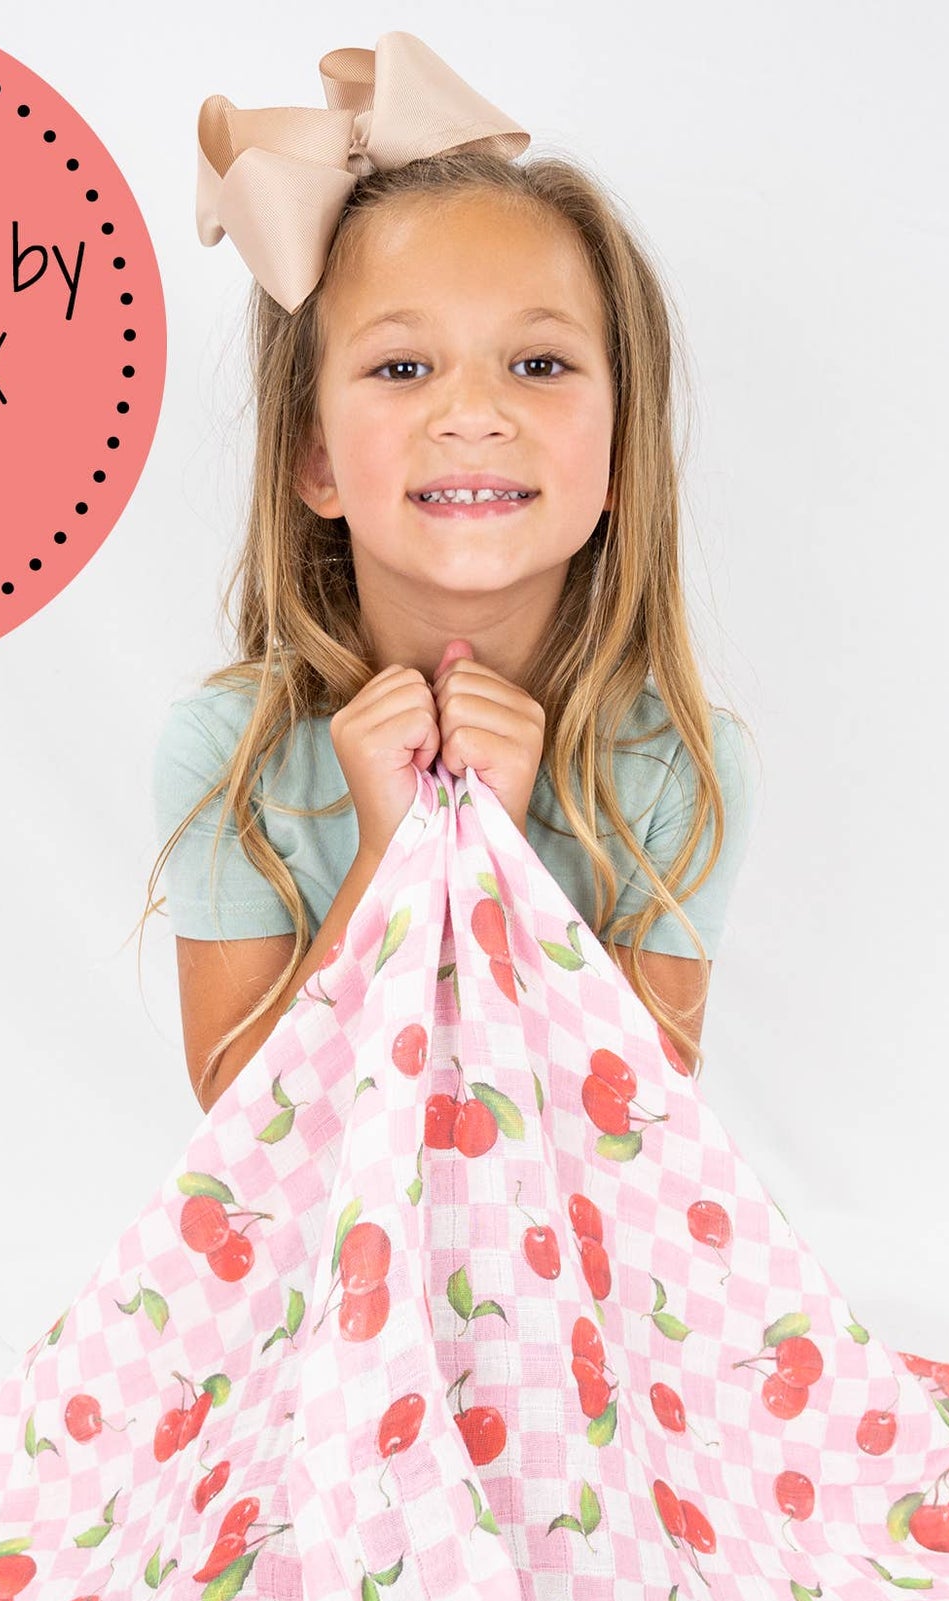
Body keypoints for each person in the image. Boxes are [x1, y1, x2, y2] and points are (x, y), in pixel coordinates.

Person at [137, 34, 758, 1111]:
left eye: (538, 363)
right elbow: (240, 1132)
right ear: (314, 456)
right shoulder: (229, 759)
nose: (473, 413)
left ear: (618, 458)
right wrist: (389, 853)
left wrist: (496, 859)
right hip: (320, 1265)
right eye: (402, 366)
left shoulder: (676, 770)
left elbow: (637, 1133)